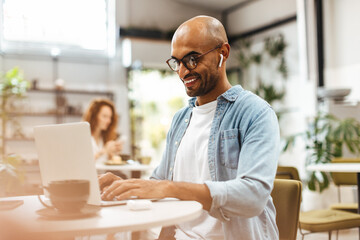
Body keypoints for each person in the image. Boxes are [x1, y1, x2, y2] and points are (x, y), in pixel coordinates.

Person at [99, 15, 280, 240]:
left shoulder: (255, 113)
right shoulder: (180, 119)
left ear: (222, 53)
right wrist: (128, 188)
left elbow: (253, 196)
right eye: (177, 62)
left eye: (192, 59)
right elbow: (159, 183)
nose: (183, 71)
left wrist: (170, 188)